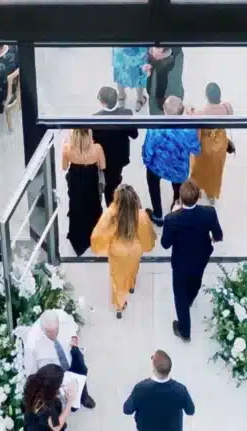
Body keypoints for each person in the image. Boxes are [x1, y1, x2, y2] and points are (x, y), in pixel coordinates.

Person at [161, 179, 223, 342]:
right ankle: (190, 298)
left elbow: (165, 244)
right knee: (196, 280)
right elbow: (218, 236)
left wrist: (174, 212)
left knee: (179, 296)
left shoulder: (171, 219)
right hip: (201, 257)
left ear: (180, 199)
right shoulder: (209, 213)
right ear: (199, 196)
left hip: (181, 263)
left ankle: (185, 331)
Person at [123, 350, 195, 431]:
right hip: (169, 430)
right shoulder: (180, 390)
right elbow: (190, 411)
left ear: (154, 368)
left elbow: (127, 409)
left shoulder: (141, 388)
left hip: (147, 426)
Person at [90, 184, 156, 318]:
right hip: (135, 251)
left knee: (117, 280)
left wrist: (102, 247)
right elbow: (147, 237)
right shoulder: (141, 215)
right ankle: (131, 285)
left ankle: (119, 305)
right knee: (133, 269)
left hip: (117, 252)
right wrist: (147, 245)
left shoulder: (111, 215)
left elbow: (98, 235)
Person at [16, 308, 96, 408]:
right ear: (42, 328)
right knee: (64, 389)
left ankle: (84, 397)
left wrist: (74, 337)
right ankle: (71, 403)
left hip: (69, 354)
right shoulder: (32, 343)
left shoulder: (61, 315)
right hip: (56, 370)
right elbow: (31, 370)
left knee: (81, 372)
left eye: (56, 331)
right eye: (49, 333)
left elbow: (71, 324)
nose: (54, 335)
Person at [142, 97, 201, 225]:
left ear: (164, 110)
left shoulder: (155, 126)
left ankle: (158, 216)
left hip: (156, 166)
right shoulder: (188, 130)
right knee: (178, 191)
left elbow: (148, 151)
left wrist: (147, 162)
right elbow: (196, 150)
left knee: (154, 188)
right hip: (178, 169)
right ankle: (175, 210)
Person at [92, 85, 138, 205]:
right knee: (116, 177)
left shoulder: (95, 119)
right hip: (120, 157)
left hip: (104, 158)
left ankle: (111, 204)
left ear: (103, 103)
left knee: (110, 185)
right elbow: (135, 134)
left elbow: (93, 140)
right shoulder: (127, 114)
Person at [62, 128, 105, 257]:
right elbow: (102, 166)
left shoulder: (67, 148)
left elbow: (64, 167)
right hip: (91, 179)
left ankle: (78, 240)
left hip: (75, 180)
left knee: (76, 205)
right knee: (93, 206)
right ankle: (94, 234)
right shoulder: (97, 148)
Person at [187, 83, 233, 203]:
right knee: (215, 171)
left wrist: (190, 112)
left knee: (199, 170)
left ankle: (197, 190)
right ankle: (211, 194)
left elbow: (195, 133)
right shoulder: (227, 107)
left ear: (206, 96)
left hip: (204, 146)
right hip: (220, 144)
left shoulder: (200, 114)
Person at [145, 46, 184, 115]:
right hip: (152, 53)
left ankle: (160, 100)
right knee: (150, 75)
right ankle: (152, 93)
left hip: (168, 55)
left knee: (162, 77)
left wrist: (166, 51)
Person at [112, 42, 148, 113]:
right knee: (139, 74)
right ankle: (139, 100)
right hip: (138, 47)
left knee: (121, 71)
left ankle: (121, 97)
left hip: (120, 46)